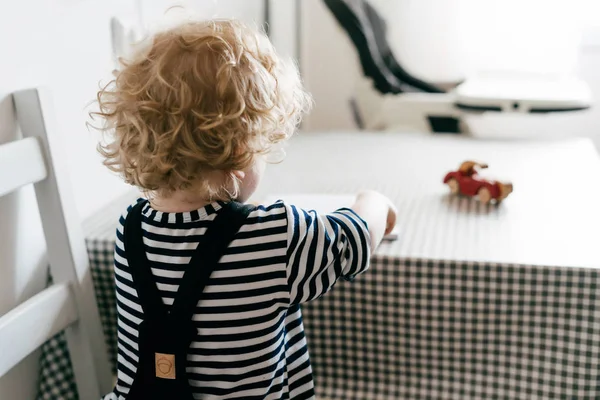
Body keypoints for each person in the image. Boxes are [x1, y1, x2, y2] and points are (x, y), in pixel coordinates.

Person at [93, 19, 396, 400]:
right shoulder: (274, 234)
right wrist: (374, 202)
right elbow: (354, 240)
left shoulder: (130, 226)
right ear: (241, 152)